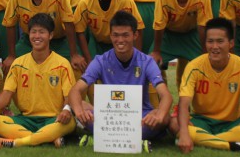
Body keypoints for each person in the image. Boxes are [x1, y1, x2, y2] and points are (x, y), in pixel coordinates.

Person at [69, 10, 171, 147]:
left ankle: (102, 137)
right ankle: (134, 140)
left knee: (165, 117)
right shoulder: (101, 61)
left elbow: (166, 95)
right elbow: (75, 90)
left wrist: (159, 114)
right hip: (109, 117)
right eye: (116, 35)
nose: (120, 40)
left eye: (125, 35)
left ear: (135, 35)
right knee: (77, 104)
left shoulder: (146, 62)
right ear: (110, 36)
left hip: (140, 117)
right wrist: (79, 111)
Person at [172, 18, 240, 156]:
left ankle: (205, 140)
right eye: (210, 41)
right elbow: (184, 103)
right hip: (201, 121)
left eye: (220, 41)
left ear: (231, 43)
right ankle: (232, 145)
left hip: (231, 122)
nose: (215, 46)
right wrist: (185, 133)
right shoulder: (194, 66)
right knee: (174, 123)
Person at [0, 13, 76, 149]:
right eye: (33, 32)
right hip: (26, 119)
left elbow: (68, 96)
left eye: (42, 32)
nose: (37, 36)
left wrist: (66, 110)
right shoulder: (18, 63)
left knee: (70, 123)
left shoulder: (62, 63)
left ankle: (17, 142)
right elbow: (6, 93)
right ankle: (48, 137)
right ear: (28, 35)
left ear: (51, 35)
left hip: (54, 118)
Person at [2, 0, 82, 74]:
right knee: (11, 67)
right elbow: (10, 25)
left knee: (77, 67)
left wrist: (74, 54)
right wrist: (11, 55)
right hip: (29, 41)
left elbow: (68, 22)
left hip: (58, 41)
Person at [151, 0, 212, 89]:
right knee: (150, 63)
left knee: (206, 66)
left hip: (191, 35)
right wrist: (156, 50)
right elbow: (159, 26)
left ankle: (195, 105)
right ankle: (160, 102)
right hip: (169, 35)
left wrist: (205, 52)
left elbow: (203, 26)